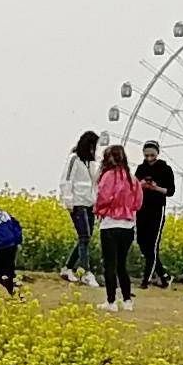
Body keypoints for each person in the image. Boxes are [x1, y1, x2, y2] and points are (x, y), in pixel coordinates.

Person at [92, 142, 143, 308]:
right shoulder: (132, 178)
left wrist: (99, 210)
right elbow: (138, 202)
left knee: (110, 265)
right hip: (128, 226)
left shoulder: (107, 176)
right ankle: (128, 301)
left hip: (110, 225)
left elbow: (102, 198)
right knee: (122, 265)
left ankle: (111, 301)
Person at [55, 132, 101, 282]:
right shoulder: (74, 159)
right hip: (77, 202)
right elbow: (66, 180)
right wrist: (68, 201)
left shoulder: (91, 162)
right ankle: (86, 271)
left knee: (85, 238)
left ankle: (67, 268)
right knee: (84, 236)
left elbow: (95, 181)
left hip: (89, 203)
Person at [133, 140, 178, 286]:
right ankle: (163, 276)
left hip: (157, 209)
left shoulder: (165, 169)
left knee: (153, 245)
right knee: (142, 242)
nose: (149, 158)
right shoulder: (140, 168)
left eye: (152, 155)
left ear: (157, 153)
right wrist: (142, 185)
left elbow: (170, 191)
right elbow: (133, 187)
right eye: (146, 155)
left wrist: (155, 188)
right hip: (142, 209)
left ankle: (146, 279)